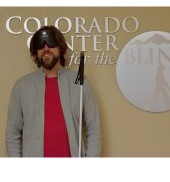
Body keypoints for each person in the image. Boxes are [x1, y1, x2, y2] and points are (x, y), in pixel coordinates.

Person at [6, 25, 101, 157]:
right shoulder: (21, 86)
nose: (46, 48)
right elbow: (12, 134)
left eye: (50, 43)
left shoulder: (80, 83)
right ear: (36, 51)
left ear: (60, 48)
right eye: (40, 45)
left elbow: (94, 129)